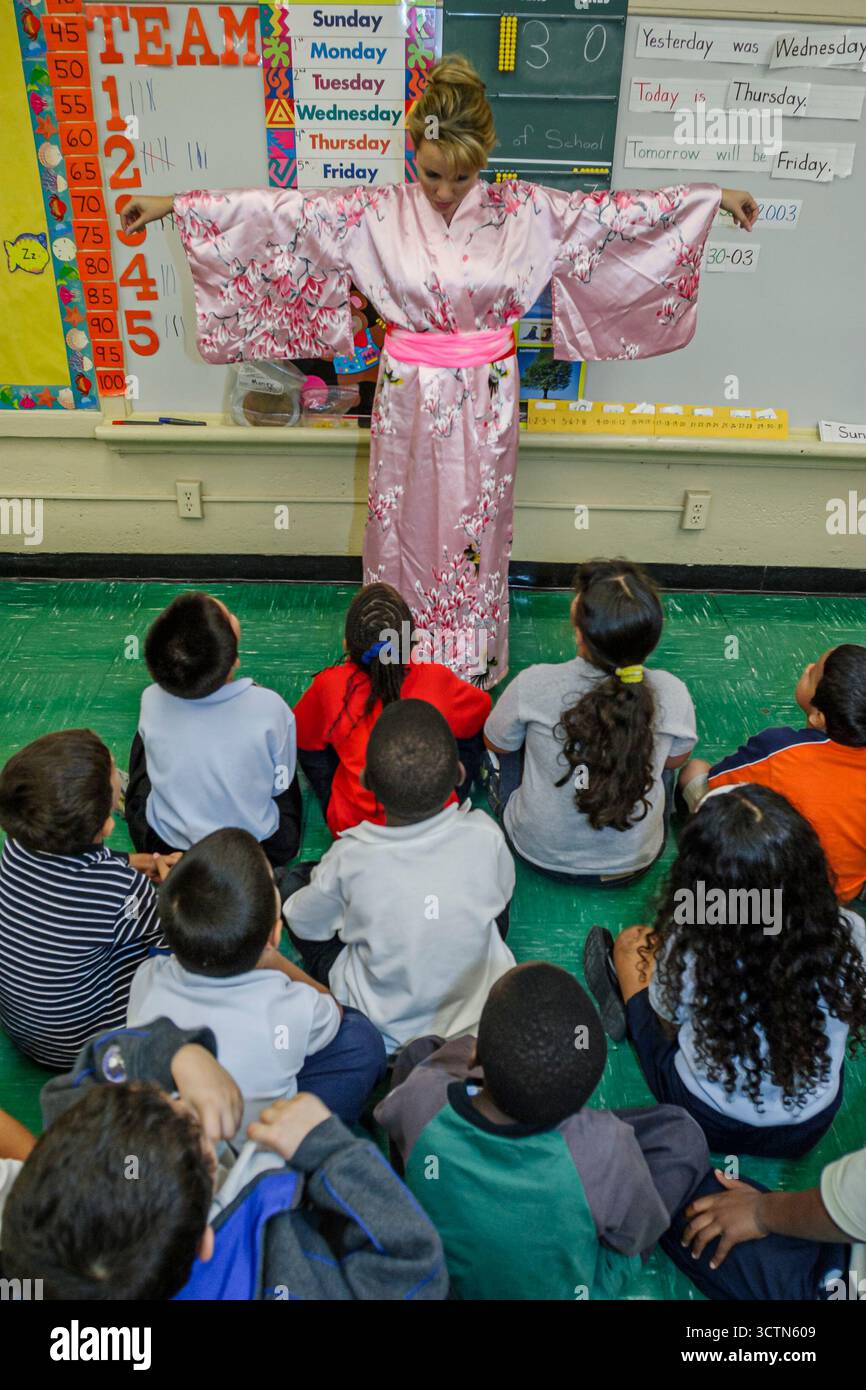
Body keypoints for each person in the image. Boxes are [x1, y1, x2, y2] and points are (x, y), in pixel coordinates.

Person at [120, 55, 757, 686]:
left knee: (477, 526)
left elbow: (615, 217)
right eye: (431, 175)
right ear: (414, 151)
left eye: (461, 176)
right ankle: (393, 648)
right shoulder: (372, 213)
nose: (445, 191)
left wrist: (712, 198)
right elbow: (280, 215)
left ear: (484, 158)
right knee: (400, 522)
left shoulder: (528, 211)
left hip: (486, 395)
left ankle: (468, 662)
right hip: (408, 393)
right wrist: (173, 207)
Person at [0, 1018, 448, 1300]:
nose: (182, 1097)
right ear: (203, 1243)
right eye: (194, 1127)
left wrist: (178, 1053)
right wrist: (331, 1148)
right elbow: (414, 1266)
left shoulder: (26, 1246)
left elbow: (98, 1071)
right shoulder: (291, 1272)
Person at [375, 961, 710, 1300]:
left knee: (420, 1052)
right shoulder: (604, 1145)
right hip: (567, 1288)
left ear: (475, 1056)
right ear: (582, 1103)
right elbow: (634, 1233)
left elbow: (397, 1104)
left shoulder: (422, 1098)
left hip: (447, 1276)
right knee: (682, 1134)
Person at [584, 785, 866, 1158]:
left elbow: (668, 1023)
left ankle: (631, 1019)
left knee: (633, 943)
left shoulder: (691, 946)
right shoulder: (853, 933)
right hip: (806, 1128)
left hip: (702, 1118)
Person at [283, 699, 515, 1055]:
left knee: (296, 885)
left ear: (367, 783)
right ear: (459, 774)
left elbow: (306, 925)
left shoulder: (349, 858)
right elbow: (501, 896)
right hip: (478, 1019)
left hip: (381, 1028)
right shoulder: (487, 835)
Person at [127, 828, 386, 1132]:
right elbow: (333, 1010)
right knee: (360, 1037)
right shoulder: (291, 1006)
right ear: (274, 936)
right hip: (260, 1143)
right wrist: (272, 959)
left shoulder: (147, 977)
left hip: (176, 1142)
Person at [484, 559, 696, 883]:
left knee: (509, 745)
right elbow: (675, 760)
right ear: (651, 635)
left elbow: (495, 742)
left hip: (538, 852)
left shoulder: (533, 683)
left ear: (580, 632)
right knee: (662, 765)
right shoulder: (673, 691)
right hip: (634, 861)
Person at [0, 729, 166, 1069]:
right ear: (107, 826)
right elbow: (177, 943)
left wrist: (133, 861)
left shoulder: (17, 844)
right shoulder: (125, 891)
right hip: (87, 1046)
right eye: (115, 771)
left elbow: (74, 865)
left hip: (27, 1028)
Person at [295, 581, 492, 835]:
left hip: (354, 828)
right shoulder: (435, 679)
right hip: (434, 820)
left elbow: (302, 738)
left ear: (346, 645)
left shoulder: (328, 685)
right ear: (412, 642)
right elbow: (482, 710)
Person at [125, 590, 302, 869]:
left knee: (146, 739)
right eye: (226, 617)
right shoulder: (270, 708)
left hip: (168, 843)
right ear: (234, 660)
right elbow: (280, 783)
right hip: (254, 848)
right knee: (283, 769)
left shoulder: (151, 699)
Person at [677, 644, 866, 902]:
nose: (808, 668)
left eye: (813, 674)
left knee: (694, 770)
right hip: (839, 894)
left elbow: (718, 784)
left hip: (766, 894)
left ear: (818, 717)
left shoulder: (778, 748)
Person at [661, 1150, 866, 1302]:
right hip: (845, 1248)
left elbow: (850, 1200)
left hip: (833, 1281)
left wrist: (759, 1212)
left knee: (682, 1193)